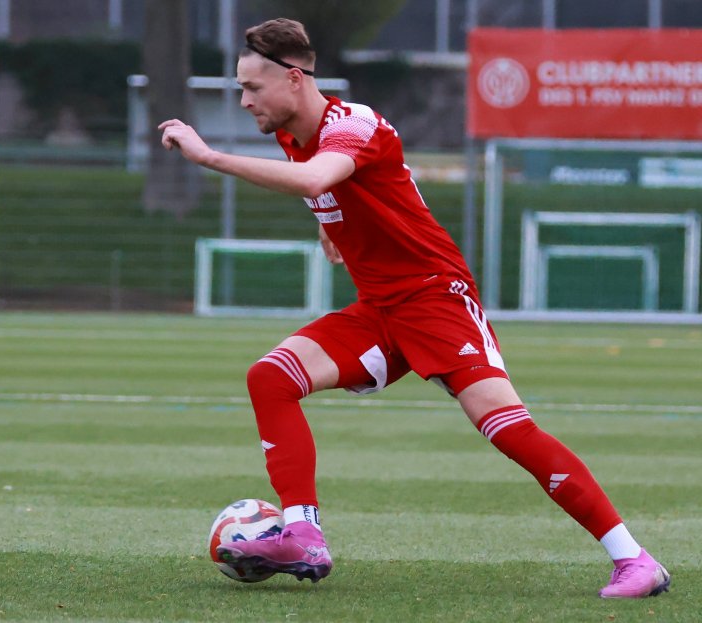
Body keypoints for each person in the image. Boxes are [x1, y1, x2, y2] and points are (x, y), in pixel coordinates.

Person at [159, 18, 670, 599]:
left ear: (295, 79)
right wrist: (334, 229)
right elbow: (331, 192)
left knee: (507, 428)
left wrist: (209, 156)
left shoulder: (353, 121)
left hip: (434, 298)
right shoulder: (291, 134)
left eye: (251, 88)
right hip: (379, 308)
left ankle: (635, 560)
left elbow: (315, 180)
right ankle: (303, 532)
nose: (244, 100)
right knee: (271, 377)